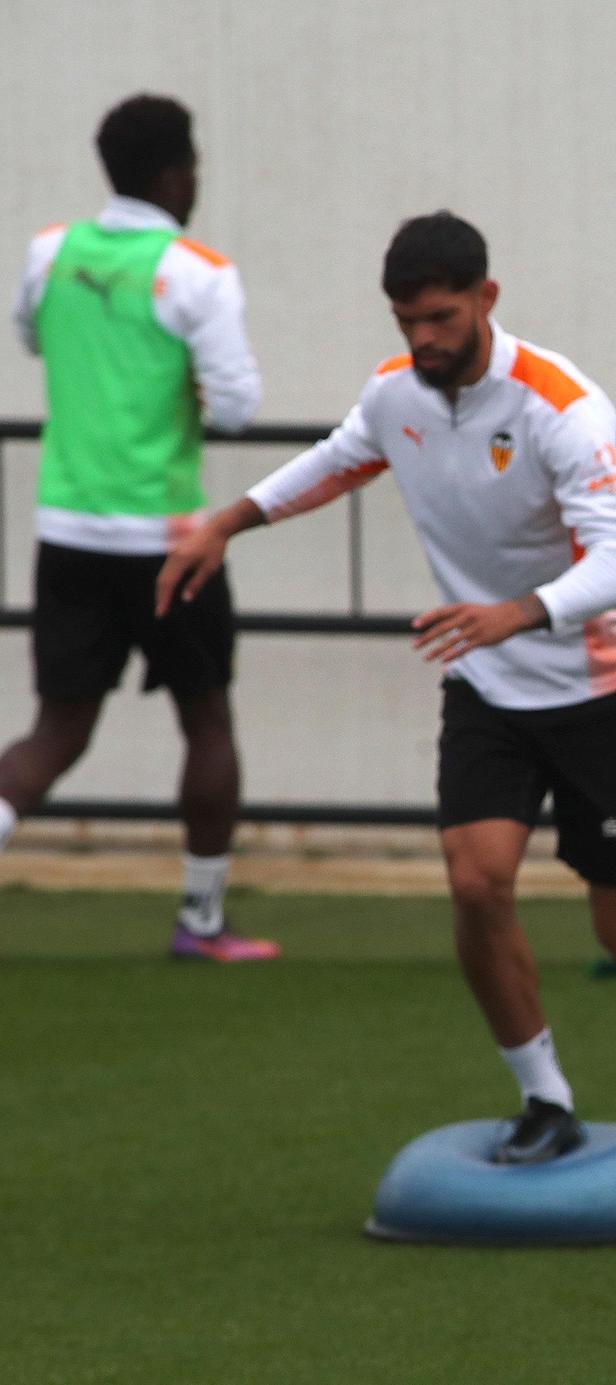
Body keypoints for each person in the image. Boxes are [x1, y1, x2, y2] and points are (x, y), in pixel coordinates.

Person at [156, 213, 616, 1171]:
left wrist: (517, 612)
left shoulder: (558, 407)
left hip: (604, 687)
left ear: (487, 299)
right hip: (489, 685)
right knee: (476, 880)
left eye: (441, 316)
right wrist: (227, 522)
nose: (424, 339)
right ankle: (545, 1095)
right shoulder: (395, 394)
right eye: (407, 320)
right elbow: (338, 458)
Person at [2, 94, 273, 961]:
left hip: (70, 530)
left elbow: (32, 339)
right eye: (192, 166)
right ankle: (200, 921)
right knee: (207, 721)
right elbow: (235, 407)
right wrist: (182, 386)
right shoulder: (198, 270)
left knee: (58, 731)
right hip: (170, 538)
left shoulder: (51, 251)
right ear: (172, 173)